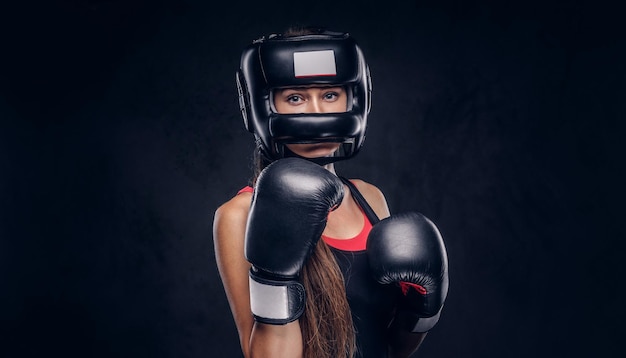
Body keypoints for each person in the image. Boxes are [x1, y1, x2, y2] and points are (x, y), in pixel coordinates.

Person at [213, 26, 449, 358]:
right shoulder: (239, 215)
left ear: (354, 97)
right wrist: (274, 282)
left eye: (329, 95)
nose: (317, 114)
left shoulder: (370, 198)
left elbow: (393, 348)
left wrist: (423, 309)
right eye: (295, 98)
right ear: (264, 106)